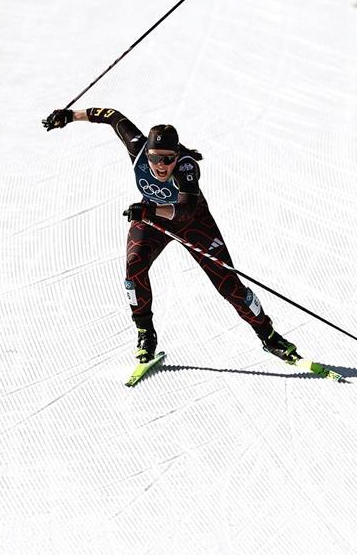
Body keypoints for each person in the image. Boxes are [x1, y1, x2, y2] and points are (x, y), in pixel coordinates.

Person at [42, 106, 297, 365]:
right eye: (154, 158)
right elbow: (110, 116)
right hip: (152, 217)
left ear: (177, 155)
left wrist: (149, 209)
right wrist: (70, 115)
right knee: (134, 268)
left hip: (192, 223)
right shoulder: (137, 147)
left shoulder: (187, 167)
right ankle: (145, 333)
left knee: (229, 284)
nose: (160, 165)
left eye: (167, 159)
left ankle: (270, 337)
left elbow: (185, 210)